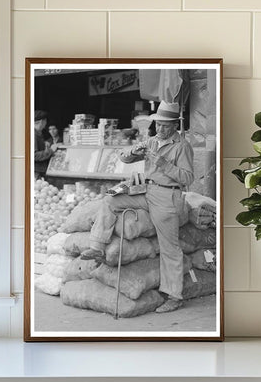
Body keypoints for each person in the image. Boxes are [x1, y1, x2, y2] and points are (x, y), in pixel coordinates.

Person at [81, 101, 194, 313]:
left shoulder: (182, 146)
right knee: (110, 200)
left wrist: (162, 163)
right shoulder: (151, 141)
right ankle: (97, 246)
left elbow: (188, 177)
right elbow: (123, 157)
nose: (159, 129)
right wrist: (134, 151)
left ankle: (174, 296)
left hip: (168, 196)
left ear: (174, 126)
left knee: (170, 248)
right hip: (146, 190)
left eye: (164, 126)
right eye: (157, 125)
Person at [34, 110, 58, 179]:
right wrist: (51, 150)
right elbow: (34, 155)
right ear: (42, 121)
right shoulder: (33, 134)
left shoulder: (38, 133)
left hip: (39, 170)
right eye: (45, 121)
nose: (46, 124)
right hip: (36, 172)